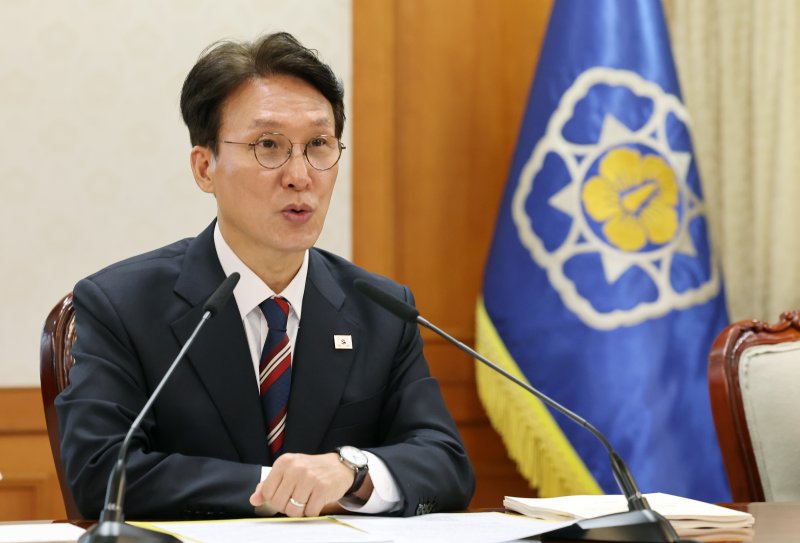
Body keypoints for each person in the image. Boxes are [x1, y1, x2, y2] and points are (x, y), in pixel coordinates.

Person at [55, 31, 475, 520]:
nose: (300, 175)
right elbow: (101, 472)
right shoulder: (123, 305)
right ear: (205, 168)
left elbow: (445, 464)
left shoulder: (381, 310)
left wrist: (353, 473)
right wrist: (275, 489)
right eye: (268, 145)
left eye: (318, 144)